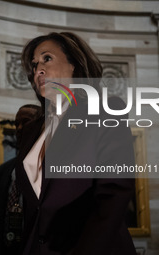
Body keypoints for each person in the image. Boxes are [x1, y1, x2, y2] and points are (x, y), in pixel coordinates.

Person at [17, 32, 137, 254]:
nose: (38, 70)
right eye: (34, 65)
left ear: (74, 64)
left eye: (47, 59)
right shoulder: (32, 130)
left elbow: (114, 192)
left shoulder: (105, 110)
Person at [0, 104, 40, 255]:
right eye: (16, 123)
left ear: (41, 125)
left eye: (25, 122)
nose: (18, 128)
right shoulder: (3, 171)